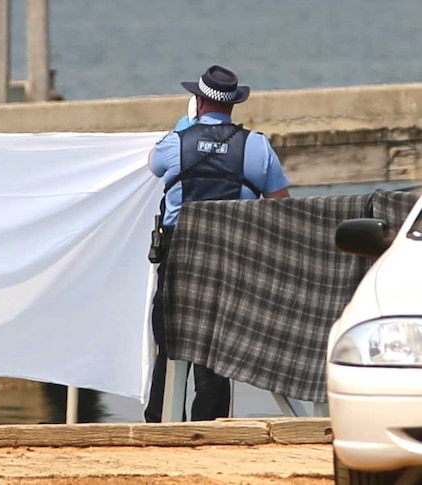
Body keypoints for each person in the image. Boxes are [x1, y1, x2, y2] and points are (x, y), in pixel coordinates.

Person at [144, 65, 291, 423]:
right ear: (233, 104)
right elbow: (283, 205)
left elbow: (153, 164)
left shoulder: (176, 143)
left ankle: (162, 422)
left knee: (169, 345)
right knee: (216, 347)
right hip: (228, 261)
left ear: (198, 101)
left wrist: (184, 126)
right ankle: (210, 424)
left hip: (180, 260)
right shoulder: (256, 146)